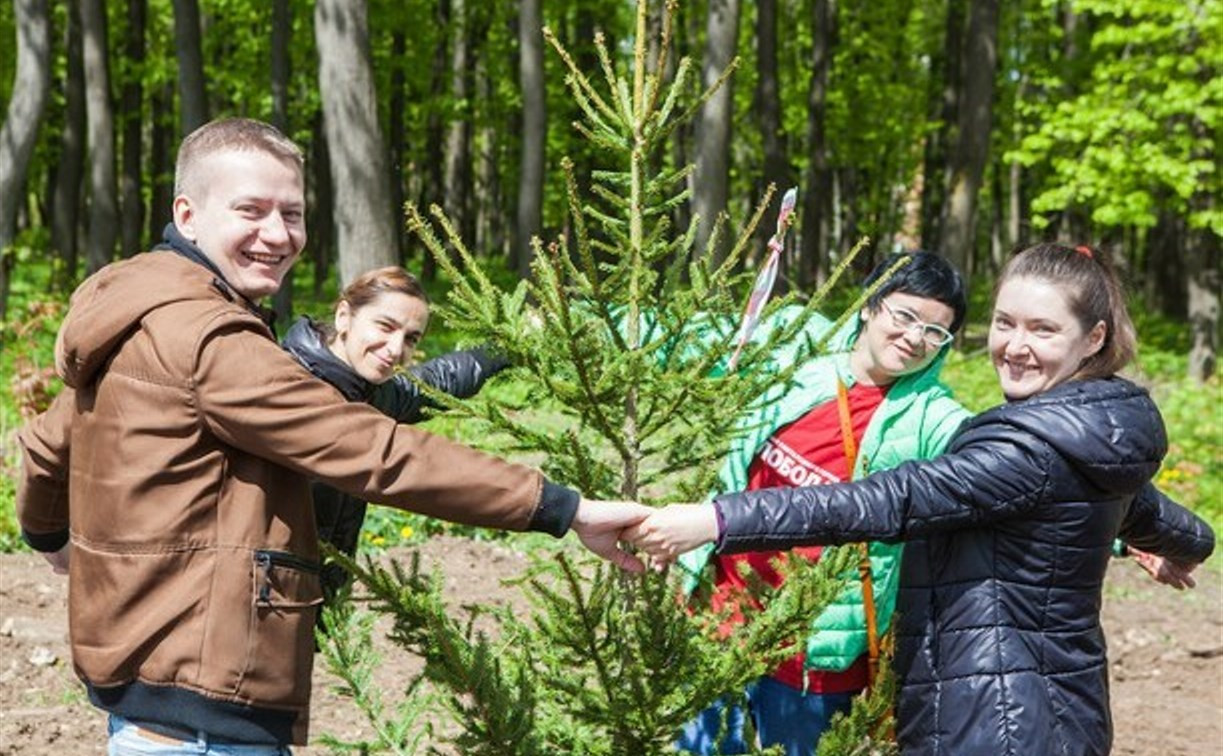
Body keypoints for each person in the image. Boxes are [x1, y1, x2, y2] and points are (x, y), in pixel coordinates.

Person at [16, 117, 650, 755]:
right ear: (188, 215)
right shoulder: (211, 339)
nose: (277, 234)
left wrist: (53, 541)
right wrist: (566, 508)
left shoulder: (141, 312)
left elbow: (46, 448)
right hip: (206, 715)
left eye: (291, 214)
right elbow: (374, 450)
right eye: (251, 210)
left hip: (150, 696)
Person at [630, 242, 1216, 756]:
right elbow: (1118, 499)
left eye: (1042, 329)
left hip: (987, 713)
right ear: (869, 305)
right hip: (1031, 704)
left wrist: (711, 520)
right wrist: (1175, 541)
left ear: (1094, 339)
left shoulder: (986, 435)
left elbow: (882, 502)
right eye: (1005, 323)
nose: (1014, 345)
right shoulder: (1084, 433)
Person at [674, 252, 970, 756]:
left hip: (816, 656)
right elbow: (682, 336)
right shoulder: (796, 353)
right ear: (868, 307)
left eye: (934, 332)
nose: (915, 338)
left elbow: (1012, 471)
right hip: (719, 621)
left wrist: (1122, 532)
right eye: (904, 316)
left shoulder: (934, 420)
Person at [281, 266, 511, 600]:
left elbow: (437, 380)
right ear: (344, 316)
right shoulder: (289, 386)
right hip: (266, 597)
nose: (394, 349)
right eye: (385, 326)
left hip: (315, 593)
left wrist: (506, 348)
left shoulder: (369, 390)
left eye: (411, 338)